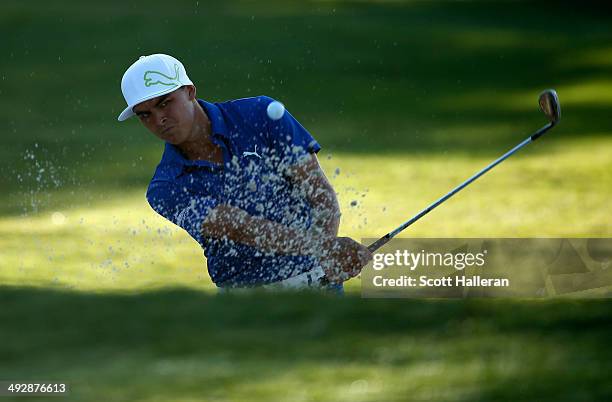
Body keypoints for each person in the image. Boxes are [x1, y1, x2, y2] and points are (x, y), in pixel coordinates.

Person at [117, 53, 371, 291]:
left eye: (165, 103)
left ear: (190, 91)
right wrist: (324, 248)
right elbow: (235, 226)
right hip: (246, 306)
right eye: (145, 115)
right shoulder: (165, 186)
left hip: (321, 287)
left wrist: (326, 258)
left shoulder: (261, 114)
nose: (159, 119)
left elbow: (318, 190)